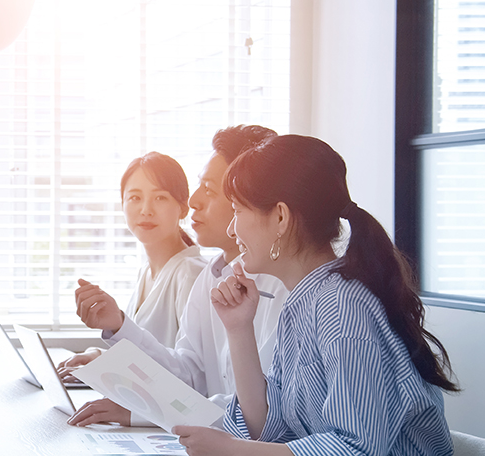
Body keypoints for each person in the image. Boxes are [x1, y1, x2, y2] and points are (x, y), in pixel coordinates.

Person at [173, 134, 456, 455]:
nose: (231, 230)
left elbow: (356, 448)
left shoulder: (343, 307)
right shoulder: (306, 302)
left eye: (238, 211)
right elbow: (268, 427)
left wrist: (235, 450)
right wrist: (239, 330)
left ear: (280, 217)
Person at [65, 125, 288, 428]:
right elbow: (186, 373)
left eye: (209, 190)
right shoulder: (212, 275)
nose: (193, 201)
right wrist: (118, 327)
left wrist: (142, 412)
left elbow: (260, 412)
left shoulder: (283, 288)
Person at [59, 152, 208, 371]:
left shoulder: (192, 275)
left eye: (160, 198)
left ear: (183, 207)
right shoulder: (147, 271)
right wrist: (101, 356)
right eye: (135, 198)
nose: (146, 210)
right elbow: (149, 353)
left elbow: (192, 375)